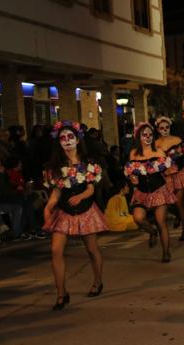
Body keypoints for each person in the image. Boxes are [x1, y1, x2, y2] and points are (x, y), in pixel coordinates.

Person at [42, 121, 107, 310]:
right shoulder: (54, 166)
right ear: (58, 142)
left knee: (91, 249)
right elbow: (56, 192)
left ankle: (97, 281)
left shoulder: (89, 163)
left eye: (70, 137)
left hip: (85, 209)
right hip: (64, 211)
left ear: (78, 139)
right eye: (63, 138)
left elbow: (91, 189)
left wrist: (80, 196)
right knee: (55, 250)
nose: (67, 140)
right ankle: (61, 293)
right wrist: (49, 206)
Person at [124, 122, 177, 263]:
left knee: (161, 221)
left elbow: (164, 169)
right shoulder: (133, 154)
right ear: (138, 137)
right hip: (141, 191)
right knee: (138, 218)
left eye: (150, 134)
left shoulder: (158, 152)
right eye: (144, 135)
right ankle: (152, 231)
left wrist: (169, 171)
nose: (147, 137)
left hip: (159, 189)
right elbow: (131, 172)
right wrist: (133, 178)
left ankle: (166, 252)